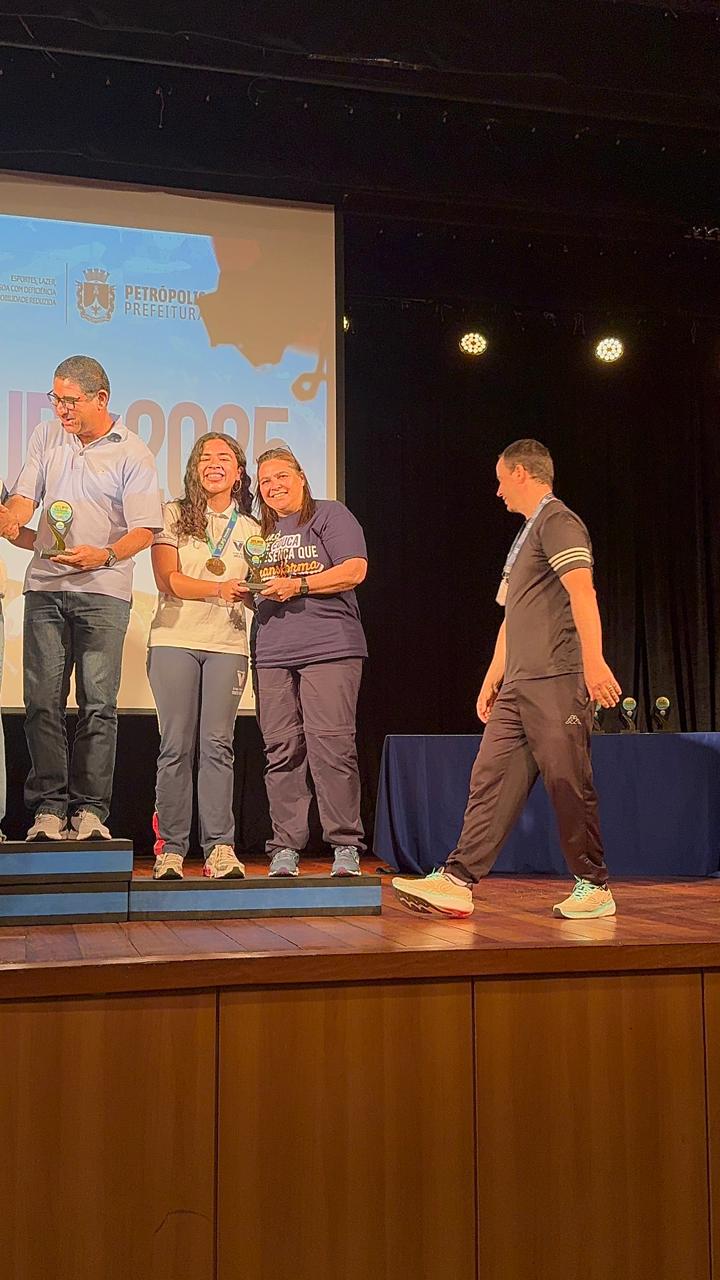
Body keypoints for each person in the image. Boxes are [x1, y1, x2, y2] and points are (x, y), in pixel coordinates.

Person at [392, 438, 621, 921]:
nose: (497, 492)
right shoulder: (525, 535)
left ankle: (594, 885)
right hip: (518, 685)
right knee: (490, 777)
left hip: (558, 677)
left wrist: (594, 661)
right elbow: (511, 618)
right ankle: (457, 881)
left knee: (567, 779)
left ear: (521, 473)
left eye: (500, 480)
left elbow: (583, 592)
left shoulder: (558, 522)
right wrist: (492, 677)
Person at [0, 355, 163, 841]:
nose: (62, 410)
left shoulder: (133, 451)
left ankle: (90, 812)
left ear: (101, 398)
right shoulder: (46, 436)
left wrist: (105, 556)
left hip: (104, 592)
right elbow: (26, 497)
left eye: (70, 401)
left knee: (98, 705)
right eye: (56, 399)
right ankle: (49, 810)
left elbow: (145, 530)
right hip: (46, 587)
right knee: (41, 702)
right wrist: (13, 517)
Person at [250, 447, 368, 877]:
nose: (273, 486)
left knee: (331, 747)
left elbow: (354, 570)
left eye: (281, 476)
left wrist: (298, 585)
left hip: (329, 647)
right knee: (281, 749)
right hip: (272, 651)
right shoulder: (257, 531)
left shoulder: (330, 514)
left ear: (301, 477)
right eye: (265, 481)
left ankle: (345, 845)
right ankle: (284, 847)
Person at [148, 432, 258, 880]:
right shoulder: (172, 515)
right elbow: (167, 580)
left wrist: (258, 592)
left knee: (218, 745)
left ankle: (219, 848)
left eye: (224, 457)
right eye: (205, 457)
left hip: (228, 644)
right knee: (175, 745)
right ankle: (171, 849)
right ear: (194, 469)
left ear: (238, 471)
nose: (214, 463)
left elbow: (257, 592)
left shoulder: (253, 529)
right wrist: (219, 588)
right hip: (174, 639)